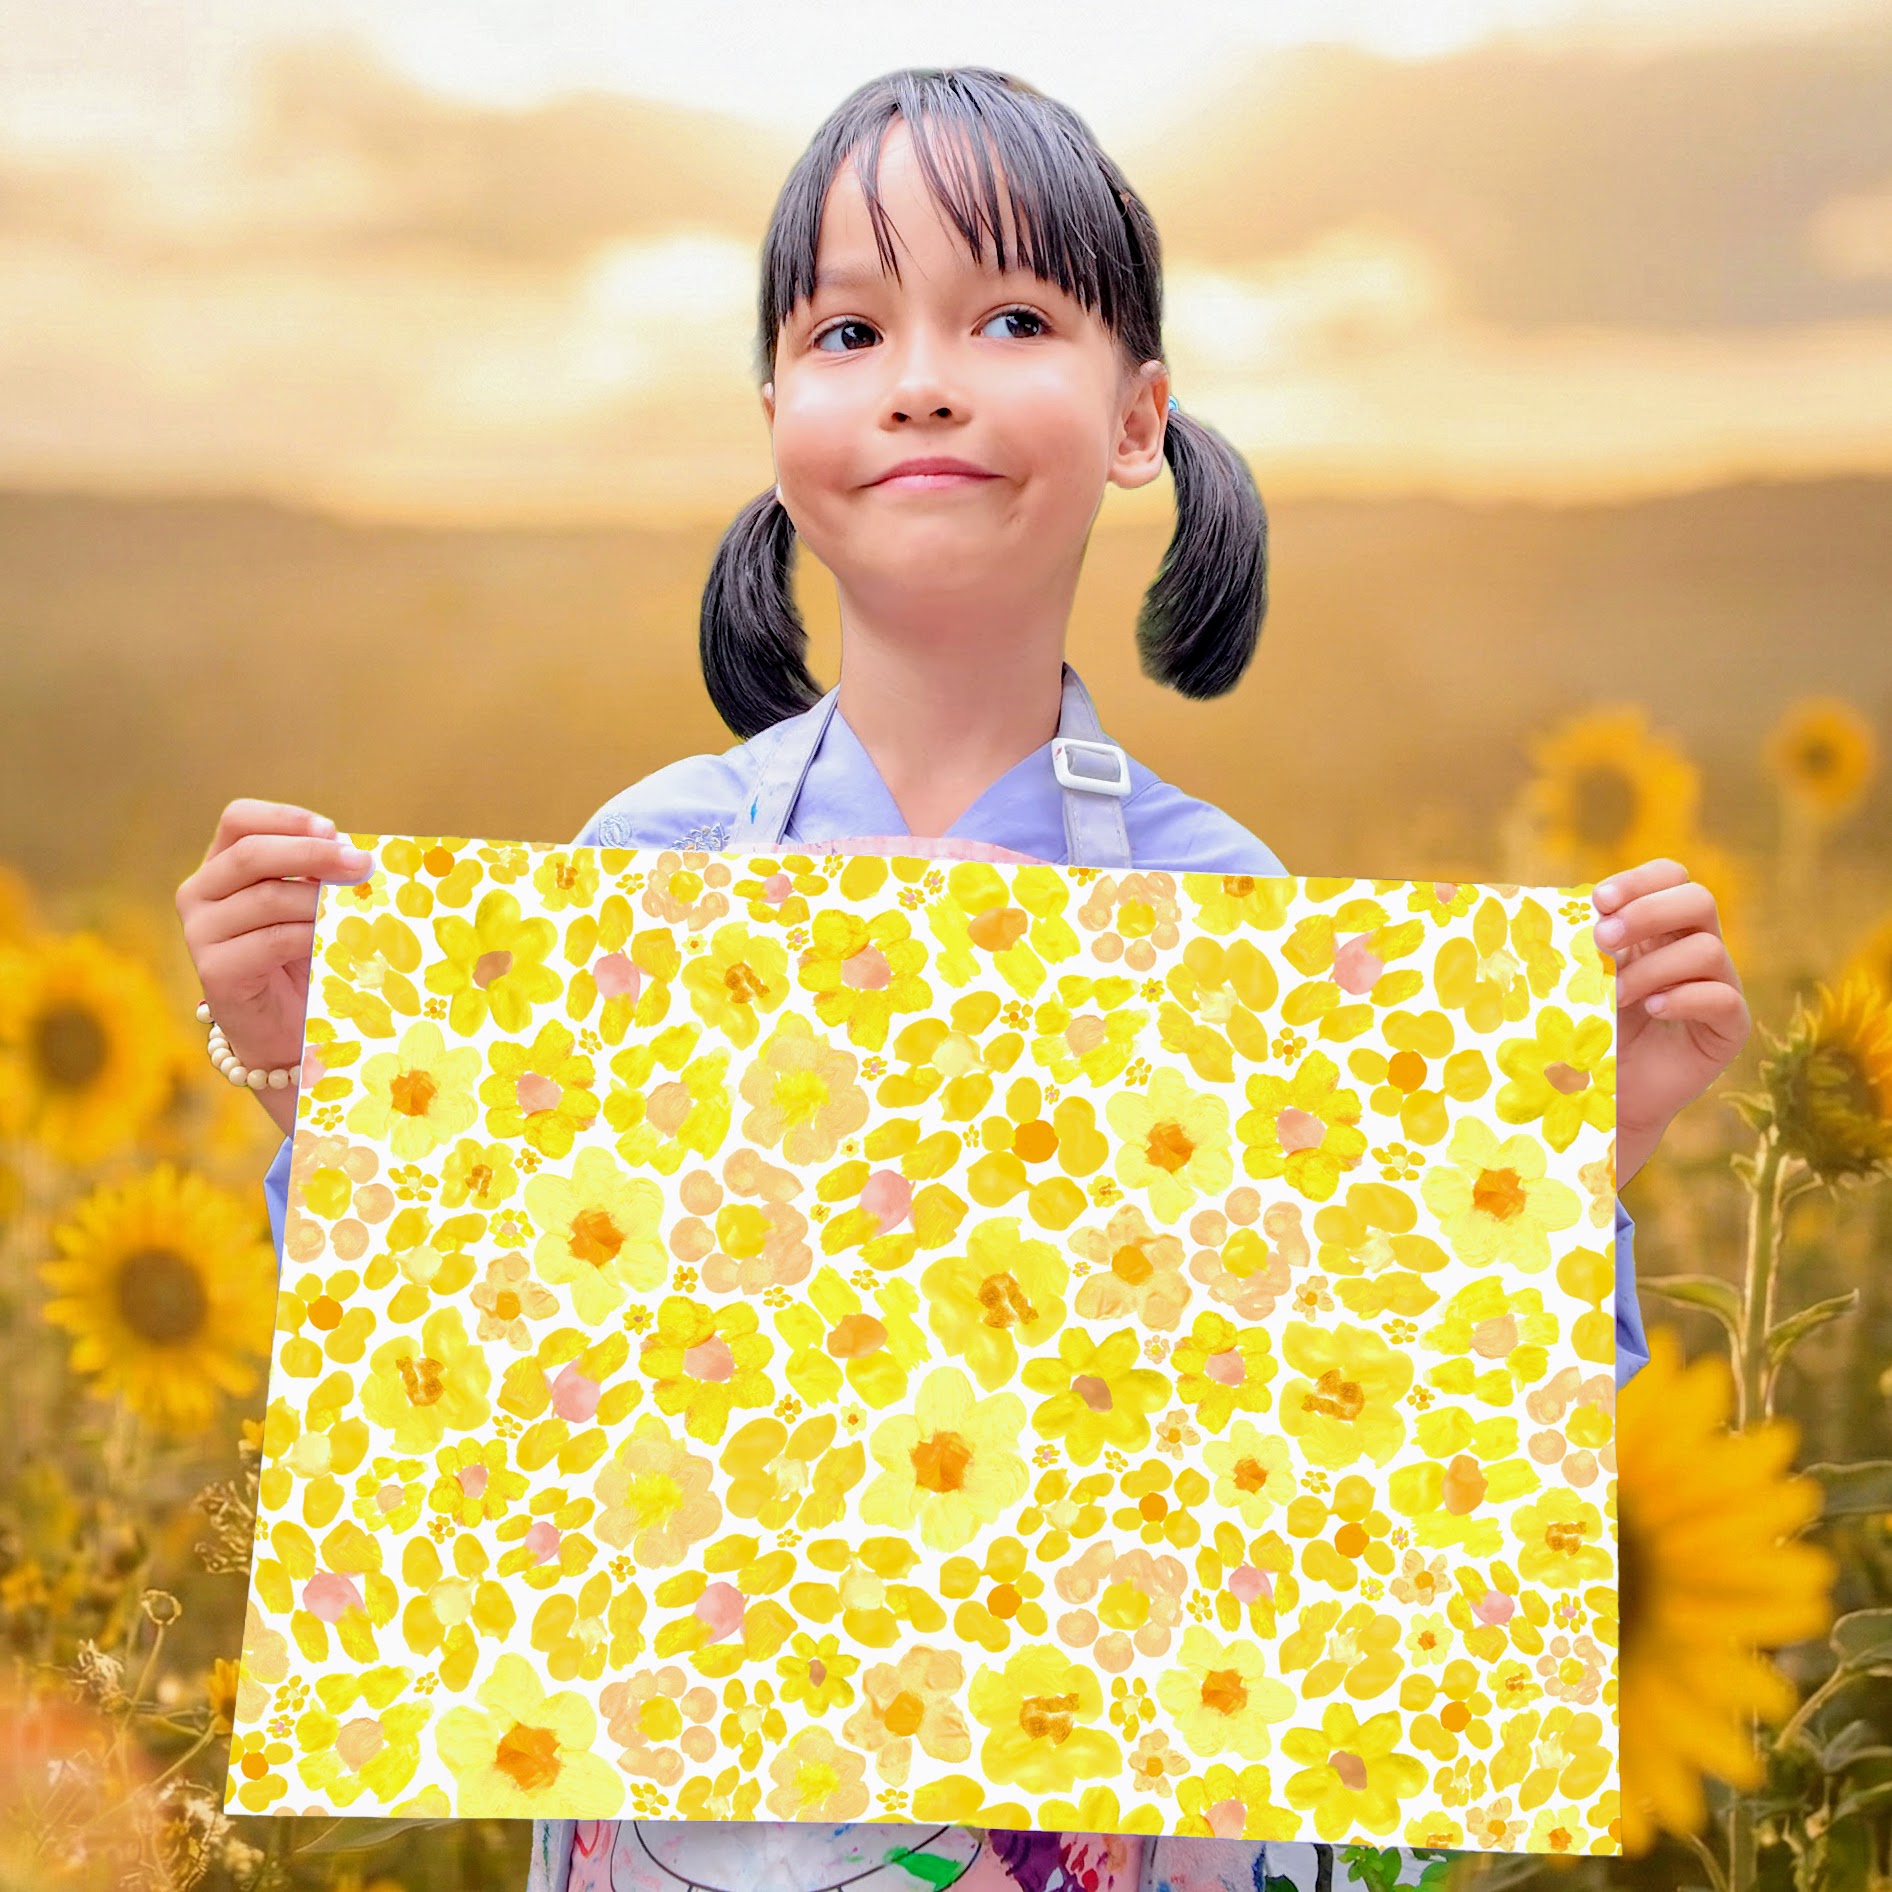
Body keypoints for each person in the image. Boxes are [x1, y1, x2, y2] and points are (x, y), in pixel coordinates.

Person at [177, 63, 1750, 1892]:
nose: (922, 372)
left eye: (1011, 316)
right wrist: (313, 1071)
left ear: (1141, 412)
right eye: (850, 325)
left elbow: (1401, 1468)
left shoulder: (1219, 906)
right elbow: (477, 1390)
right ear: (773, 411)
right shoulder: (653, 873)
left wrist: (1585, 1146)